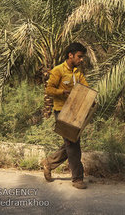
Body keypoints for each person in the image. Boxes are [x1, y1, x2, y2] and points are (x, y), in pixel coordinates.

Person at [41, 42, 89, 189]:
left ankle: (49, 163)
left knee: (71, 143)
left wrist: (90, 99)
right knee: (73, 145)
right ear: (71, 55)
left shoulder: (78, 73)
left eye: (82, 57)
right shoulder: (58, 71)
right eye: (79, 56)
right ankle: (77, 179)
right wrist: (63, 92)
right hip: (61, 111)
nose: (81, 60)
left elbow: (86, 88)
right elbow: (49, 89)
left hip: (75, 112)